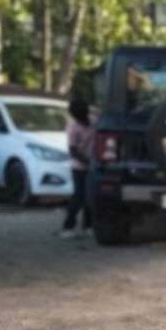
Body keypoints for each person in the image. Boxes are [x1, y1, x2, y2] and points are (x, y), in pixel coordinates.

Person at [58, 98, 94, 239]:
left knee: (89, 197)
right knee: (78, 196)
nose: (83, 117)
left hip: (92, 165)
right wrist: (87, 162)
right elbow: (73, 150)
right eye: (80, 115)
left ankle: (88, 226)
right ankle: (68, 227)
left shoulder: (94, 121)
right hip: (79, 167)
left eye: (84, 113)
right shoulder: (73, 127)